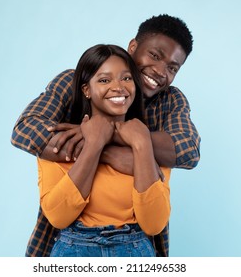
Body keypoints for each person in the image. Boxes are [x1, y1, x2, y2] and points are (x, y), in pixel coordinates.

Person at [11, 14, 201, 257]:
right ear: (133, 46)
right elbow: (26, 129)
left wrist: (108, 137)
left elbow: (187, 151)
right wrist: (104, 146)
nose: (160, 71)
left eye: (172, 67)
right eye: (154, 55)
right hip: (68, 240)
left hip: (137, 244)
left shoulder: (170, 101)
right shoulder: (76, 80)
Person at [38, 44, 171, 257]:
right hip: (73, 252)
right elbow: (58, 216)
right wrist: (94, 145)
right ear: (86, 90)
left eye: (126, 78)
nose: (118, 87)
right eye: (104, 80)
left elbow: (154, 224)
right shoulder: (63, 141)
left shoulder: (149, 141)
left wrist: (142, 145)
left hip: (135, 252)